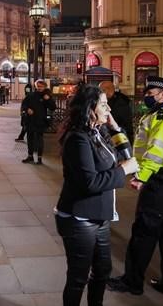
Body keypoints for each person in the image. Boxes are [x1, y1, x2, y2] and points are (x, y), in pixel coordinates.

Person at [107, 76, 163, 301]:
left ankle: (132, 282)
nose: (147, 96)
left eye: (150, 92)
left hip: (162, 180)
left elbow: (158, 150)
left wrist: (141, 177)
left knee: (143, 232)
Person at [55, 84, 138, 306]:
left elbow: (127, 154)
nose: (108, 108)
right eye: (103, 104)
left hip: (99, 216)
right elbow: (90, 182)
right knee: (78, 277)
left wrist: (115, 127)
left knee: (102, 271)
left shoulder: (98, 132)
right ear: (90, 108)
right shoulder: (78, 139)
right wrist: (123, 170)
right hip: (79, 218)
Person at [21, 79, 56, 165]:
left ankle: (39, 158)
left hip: (40, 121)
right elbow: (24, 104)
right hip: (30, 121)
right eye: (38, 86)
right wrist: (27, 109)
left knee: (39, 139)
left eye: (41, 86)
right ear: (36, 86)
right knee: (30, 139)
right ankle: (30, 156)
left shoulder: (46, 96)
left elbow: (53, 107)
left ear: (44, 87)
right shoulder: (31, 95)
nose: (39, 88)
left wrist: (48, 100)